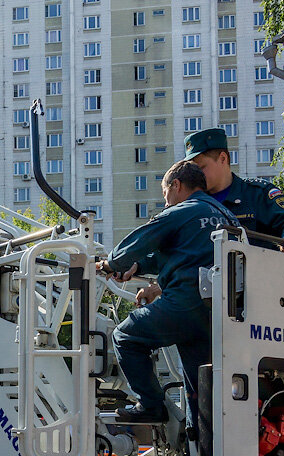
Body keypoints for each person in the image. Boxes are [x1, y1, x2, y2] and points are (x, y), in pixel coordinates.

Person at [97, 160, 239, 423]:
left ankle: (151, 406)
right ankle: (203, 455)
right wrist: (138, 266)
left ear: (176, 185)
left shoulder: (181, 211)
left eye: (165, 194)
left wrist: (111, 264)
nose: (165, 202)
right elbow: (182, 254)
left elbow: (139, 241)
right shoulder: (226, 216)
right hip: (219, 314)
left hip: (185, 304)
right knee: (200, 388)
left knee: (125, 336)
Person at [183, 127, 284, 253]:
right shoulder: (192, 202)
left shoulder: (256, 194)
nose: (196, 174)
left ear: (223, 158)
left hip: (256, 272)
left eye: (201, 168)